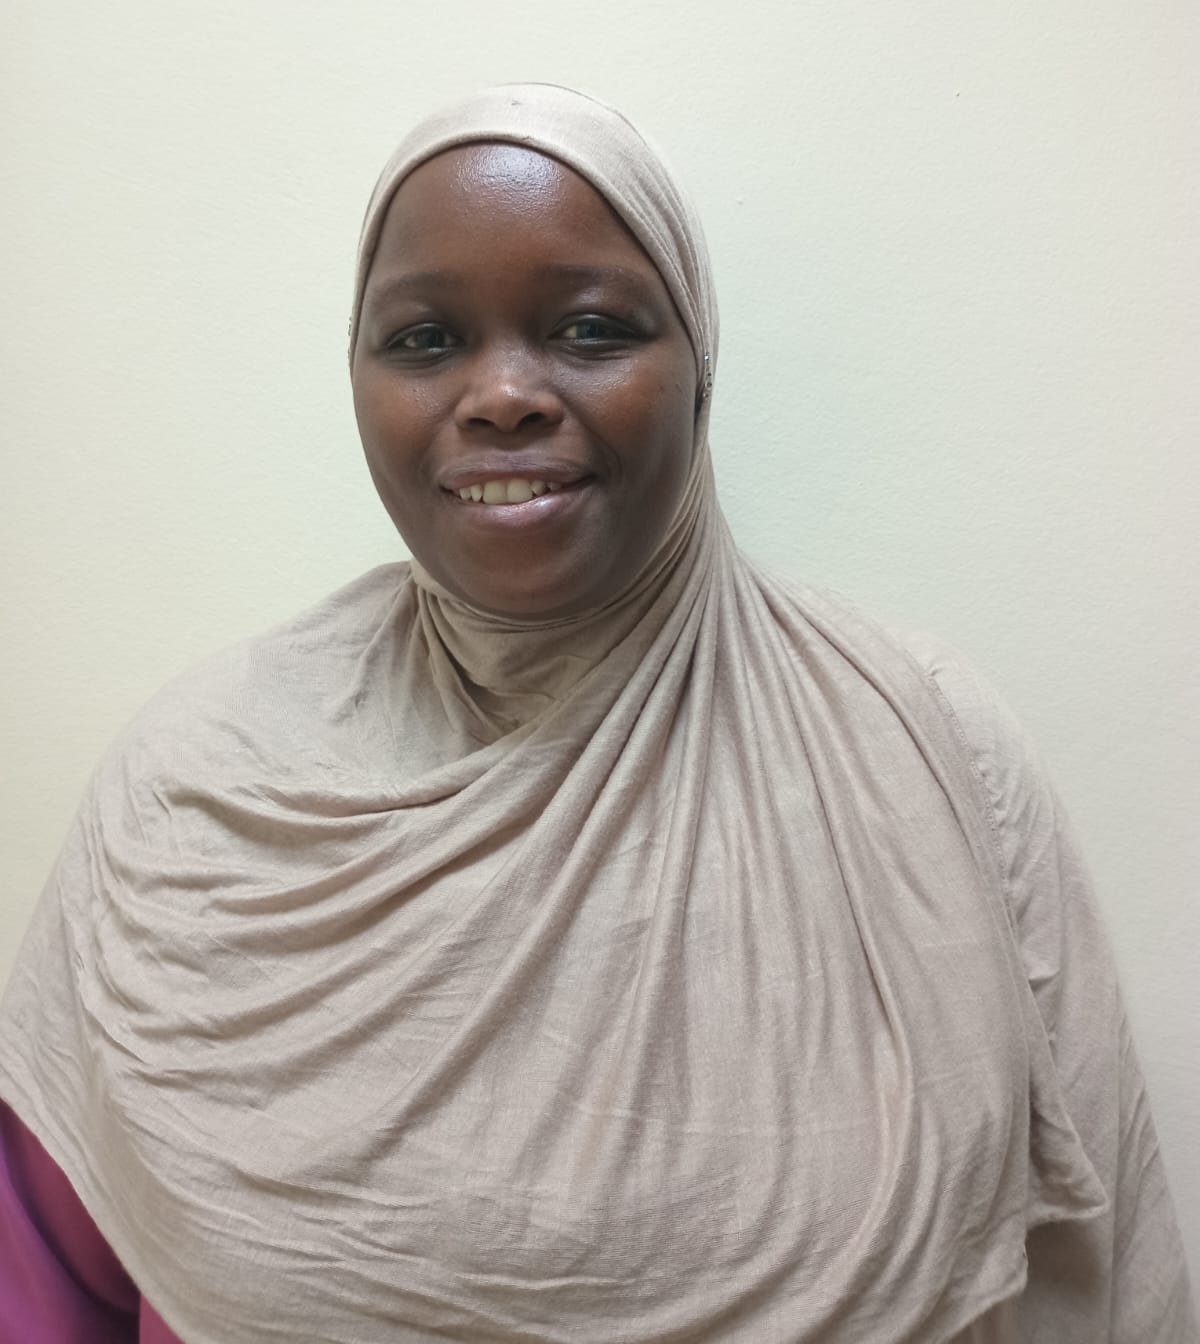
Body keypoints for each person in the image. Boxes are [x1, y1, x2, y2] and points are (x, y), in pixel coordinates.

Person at [0, 83, 1194, 1344]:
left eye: (589, 328)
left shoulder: (923, 747)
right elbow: (48, 1284)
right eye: (424, 340)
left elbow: (1094, 1271)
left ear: (699, 368)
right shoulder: (194, 789)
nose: (502, 394)